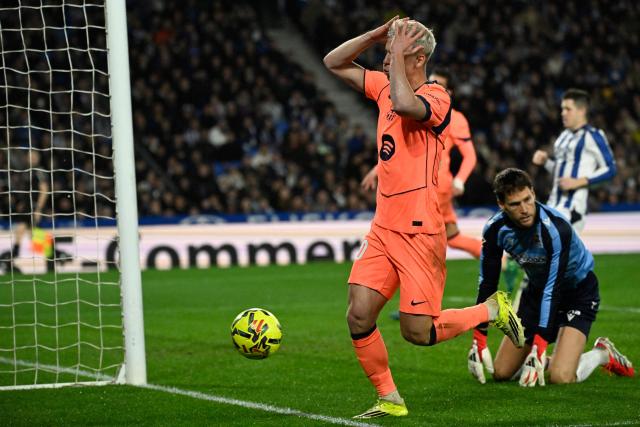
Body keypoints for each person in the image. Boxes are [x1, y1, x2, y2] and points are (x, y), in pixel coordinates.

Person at [323, 17, 524, 419]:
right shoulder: (384, 84)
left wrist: (395, 53)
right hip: (384, 227)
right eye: (385, 52)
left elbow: (404, 103)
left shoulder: (437, 97)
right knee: (359, 313)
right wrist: (377, 36)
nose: (384, 57)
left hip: (419, 231)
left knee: (418, 332)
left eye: (392, 51)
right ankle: (389, 398)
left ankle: (491, 309)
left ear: (416, 56)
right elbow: (333, 62)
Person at [468, 168, 633, 387]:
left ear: (534, 193)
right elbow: (487, 282)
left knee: (561, 377)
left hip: (577, 293)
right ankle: (551, 361)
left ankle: (601, 353)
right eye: (515, 204)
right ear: (501, 205)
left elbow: (552, 287)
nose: (525, 209)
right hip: (536, 292)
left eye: (528, 200)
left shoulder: (555, 228)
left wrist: (539, 345)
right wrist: (479, 339)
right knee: (501, 372)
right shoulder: (494, 229)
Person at [361, 67, 481, 259]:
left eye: (439, 84)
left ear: (448, 92)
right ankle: (496, 258)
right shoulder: (417, 110)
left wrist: (460, 180)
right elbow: (403, 148)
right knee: (452, 235)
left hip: (432, 185)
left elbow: (470, 155)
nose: (432, 86)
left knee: (417, 238)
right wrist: (378, 169)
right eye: (431, 81)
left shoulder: (455, 118)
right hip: (424, 182)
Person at [532, 89, 617, 233]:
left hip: (572, 209)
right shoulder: (563, 137)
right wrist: (546, 161)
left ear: (582, 110)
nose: (563, 113)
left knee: (536, 244)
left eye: (568, 109)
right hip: (553, 204)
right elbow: (562, 171)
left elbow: (610, 169)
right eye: (562, 109)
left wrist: (579, 182)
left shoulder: (593, 136)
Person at [1, 149, 49, 274]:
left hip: (34, 208)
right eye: (30, 156)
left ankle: (52, 256)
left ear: (38, 158)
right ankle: (14, 256)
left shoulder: (39, 172)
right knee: (21, 230)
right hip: (27, 208)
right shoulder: (26, 172)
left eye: (34, 156)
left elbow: (44, 190)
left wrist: (38, 208)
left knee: (35, 234)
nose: (32, 158)